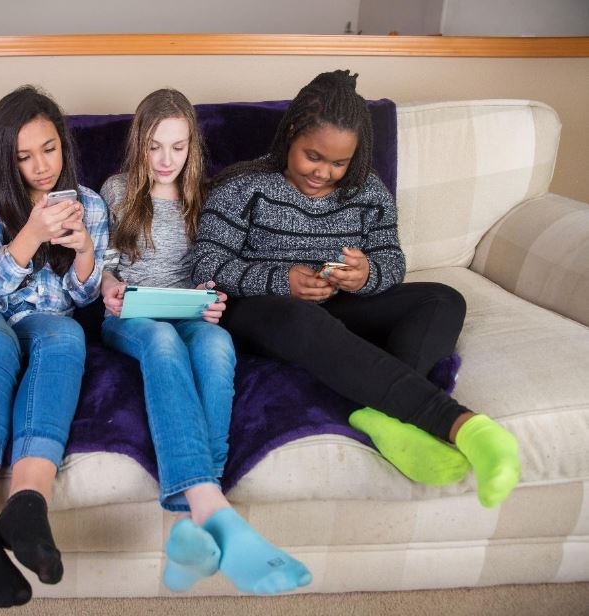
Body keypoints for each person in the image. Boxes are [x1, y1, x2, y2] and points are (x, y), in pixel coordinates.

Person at [192, 70, 520, 509]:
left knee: (443, 298)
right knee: (298, 315)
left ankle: (386, 418)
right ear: (290, 136)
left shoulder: (368, 192)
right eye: (313, 156)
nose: (324, 173)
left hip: (336, 306)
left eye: (338, 163)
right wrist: (281, 278)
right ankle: (457, 422)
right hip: (260, 314)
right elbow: (207, 264)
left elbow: (392, 260)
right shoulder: (243, 187)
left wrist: (367, 275)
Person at [100, 88, 312, 595]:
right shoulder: (116, 190)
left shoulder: (205, 196)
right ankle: (212, 509)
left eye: (178, 147)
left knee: (218, 345)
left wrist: (212, 295)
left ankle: (197, 521)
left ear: (192, 146)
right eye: (155, 147)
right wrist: (110, 288)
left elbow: (217, 265)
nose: (166, 159)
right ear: (139, 145)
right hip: (132, 313)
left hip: (187, 307)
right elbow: (102, 266)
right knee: (163, 346)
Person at [0, 85, 108, 608]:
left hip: (43, 317)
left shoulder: (91, 205)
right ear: (5, 159)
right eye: (24, 156)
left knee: (67, 334)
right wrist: (31, 234)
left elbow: (81, 297)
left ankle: (27, 504)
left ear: (65, 146)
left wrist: (83, 252)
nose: (41, 166)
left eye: (50, 149)